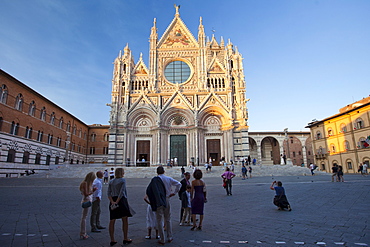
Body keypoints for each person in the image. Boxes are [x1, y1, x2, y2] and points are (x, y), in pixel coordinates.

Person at [146, 166, 181, 245]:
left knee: (159, 219)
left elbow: (149, 190)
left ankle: (162, 238)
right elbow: (179, 184)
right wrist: (174, 193)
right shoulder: (168, 179)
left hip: (158, 200)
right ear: (164, 171)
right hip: (166, 199)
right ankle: (170, 237)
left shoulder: (154, 180)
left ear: (157, 172)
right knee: (168, 219)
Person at [108, 168, 134, 246]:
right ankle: (125, 238)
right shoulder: (123, 180)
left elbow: (108, 193)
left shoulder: (111, 181)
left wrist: (112, 202)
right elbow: (122, 192)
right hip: (121, 201)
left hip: (112, 200)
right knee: (124, 219)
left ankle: (112, 240)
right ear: (121, 173)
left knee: (112, 220)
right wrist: (117, 201)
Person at [79, 172, 97, 240]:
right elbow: (86, 194)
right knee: (84, 217)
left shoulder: (85, 183)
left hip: (86, 199)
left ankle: (83, 233)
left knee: (84, 216)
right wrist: (93, 191)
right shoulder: (85, 183)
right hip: (86, 200)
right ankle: (83, 233)